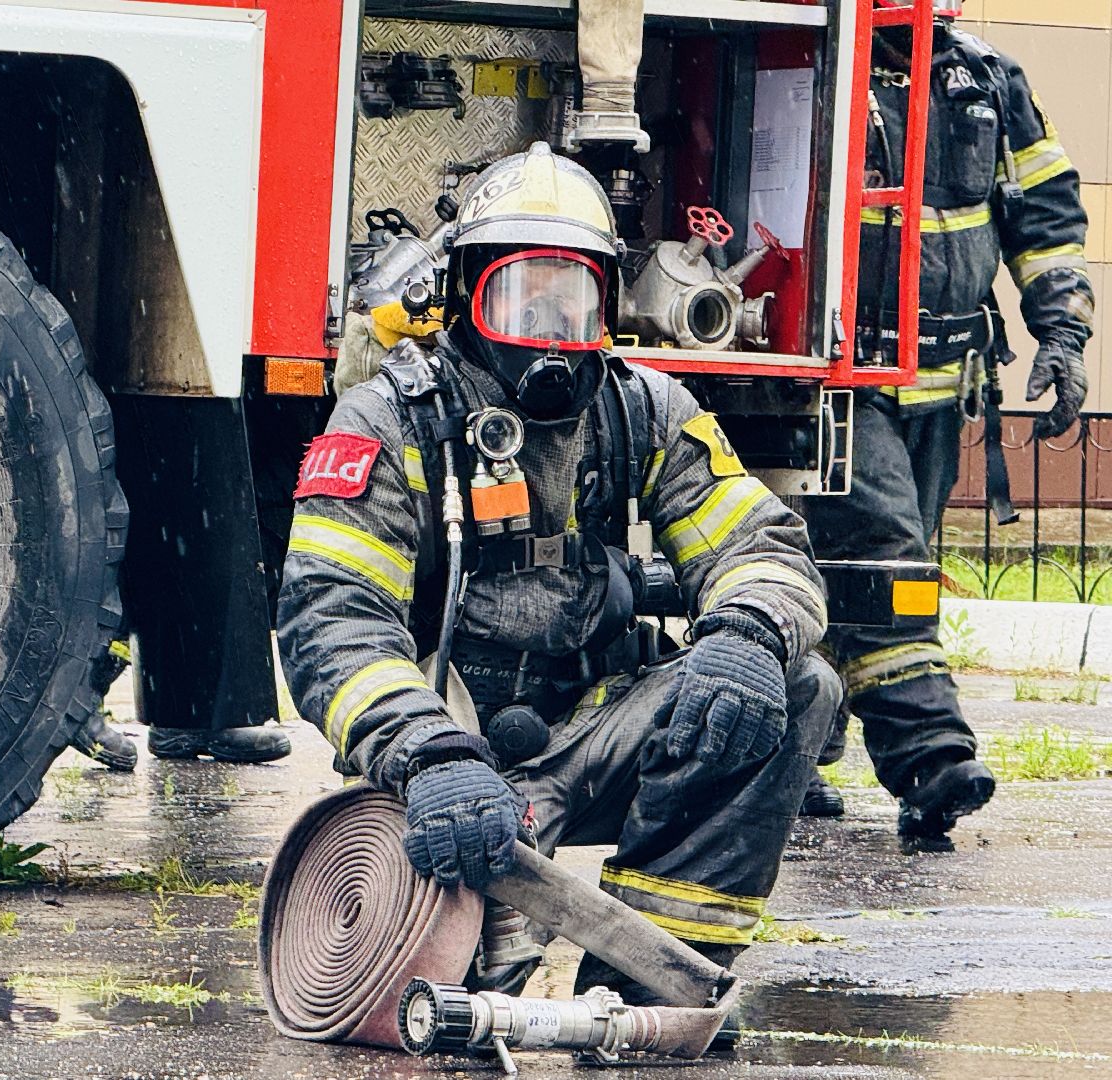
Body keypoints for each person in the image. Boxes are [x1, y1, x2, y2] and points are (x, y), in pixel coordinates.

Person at [277, 142, 840, 1021]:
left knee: (800, 686)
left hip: (594, 728)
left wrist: (750, 633)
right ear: (467, 289)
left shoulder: (642, 406)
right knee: (428, 1004)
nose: (551, 328)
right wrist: (429, 753)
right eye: (523, 293)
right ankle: (484, 892)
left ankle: (651, 988)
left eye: (572, 296)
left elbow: (759, 540)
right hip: (451, 754)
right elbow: (330, 621)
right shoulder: (390, 420)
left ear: (608, 301)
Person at [801, 0, 1093, 841]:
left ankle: (803, 751)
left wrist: (1064, 333)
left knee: (870, 569)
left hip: (943, 384)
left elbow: (1046, 211)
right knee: (885, 563)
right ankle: (930, 757)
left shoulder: (988, 78)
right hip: (839, 377)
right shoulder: (814, 57)